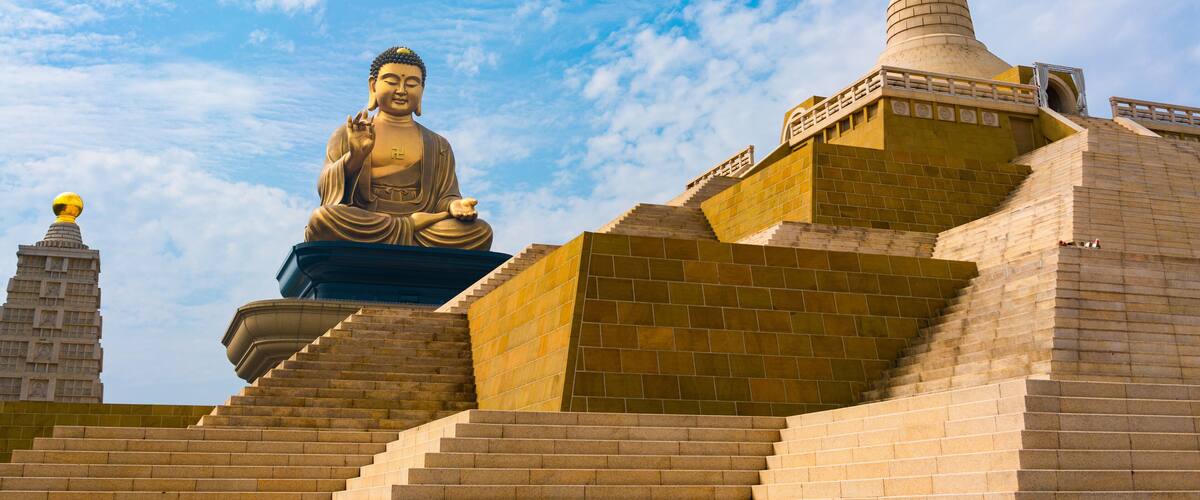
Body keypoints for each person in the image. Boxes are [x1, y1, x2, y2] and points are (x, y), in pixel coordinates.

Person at [305, 47, 493, 250]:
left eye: (412, 84)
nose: (402, 90)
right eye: (392, 82)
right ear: (373, 86)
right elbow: (326, 189)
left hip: (421, 226)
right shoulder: (349, 133)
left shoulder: (438, 145)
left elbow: (445, 196)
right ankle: (409, 228)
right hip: (369, 219)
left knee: (481, 231)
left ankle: (406, 231)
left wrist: (454, 205)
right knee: (324, 219)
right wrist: (355, 157)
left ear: (422, 90)